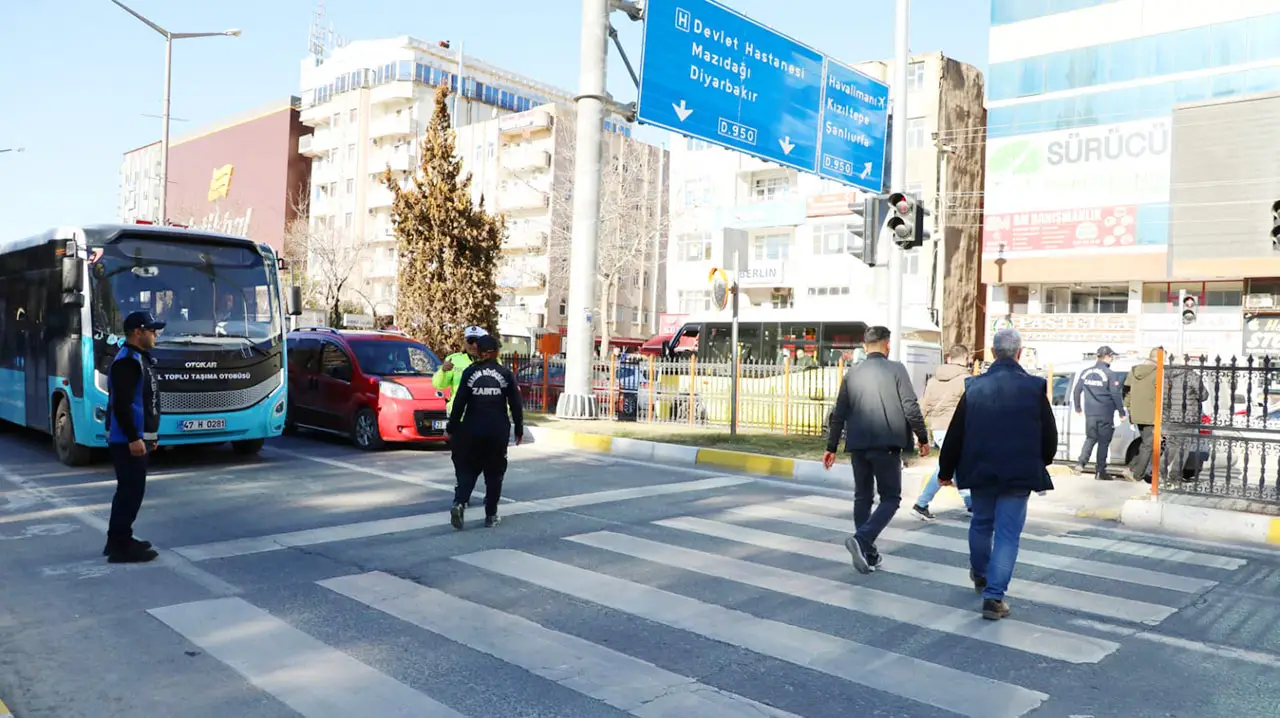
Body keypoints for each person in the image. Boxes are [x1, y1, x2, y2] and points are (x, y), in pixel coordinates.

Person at [937, 329, 1057, 620]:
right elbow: (1049, 434)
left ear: (992, 353)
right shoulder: (1034, 387)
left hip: (980, 468)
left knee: (981, 524)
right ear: (1019, 352)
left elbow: (956, 433)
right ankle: (993, 597)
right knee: (1007, 534)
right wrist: (1041, 460)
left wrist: (945, 470)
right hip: (1018, 471)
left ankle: (980, 575)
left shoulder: (975, 387)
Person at [823, 326, 930, 574]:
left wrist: (831, 447)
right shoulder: (896, 369)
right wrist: (922, 437)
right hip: (887, 445)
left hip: (858, 445)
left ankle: (868, 554)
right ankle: (862, 541)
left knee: (863, 497)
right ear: (887, 345)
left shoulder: (853, 374)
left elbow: (839, 414)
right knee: (891, 498)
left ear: (864, 345)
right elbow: (911, 407)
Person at [103, 310, 164, 563]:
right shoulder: (128, 360)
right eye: (151, 330)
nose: (155, 334)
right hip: (127, 440)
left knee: (132, 491)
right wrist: (133, 438)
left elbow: (145, 400)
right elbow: (122, 405)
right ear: (137, 333)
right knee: (129, 492)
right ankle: (119, 545)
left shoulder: (139, 358)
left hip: (137, 437)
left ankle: (119, 539)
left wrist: (150, 434)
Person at [446, 334, 524, 530]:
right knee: (494, 473)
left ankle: (459, 503)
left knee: (468, 470)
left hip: (471, 429)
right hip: (497, 430)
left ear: (479, 352)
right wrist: (519, 429)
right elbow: (515, 404)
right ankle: (491, 515)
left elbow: (459, 403)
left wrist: (451, 427)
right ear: (496, 352)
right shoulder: (505, 374)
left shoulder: (469, 373)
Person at [911, 344, 974, 520]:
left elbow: (922, 407)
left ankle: (970, 504)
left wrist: (918, 433)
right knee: (948, 466)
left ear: (948, 358)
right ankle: (921, 504)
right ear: (966, 358)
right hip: (957, 430)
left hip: (937, 428)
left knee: (952, 465)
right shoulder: (967, 380)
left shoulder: (933, 380)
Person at [1073, 345, 1126, 480]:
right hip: (1105, 413)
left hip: (1090, 413)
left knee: (1090, 438)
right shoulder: (1110, 374)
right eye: (1111, 356)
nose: (1112, 358)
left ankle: (1081, 463)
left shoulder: (1085, 372)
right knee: (1103, 441)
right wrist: (1121, 412)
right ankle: (1100, 471)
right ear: (1107, 356)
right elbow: (1115, 395)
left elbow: (1077, 390)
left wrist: (1078, 407)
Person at [433, 325, 490, 414]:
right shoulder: (454, 359)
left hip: (482, 415)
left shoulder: (492, 361)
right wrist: (442, 371)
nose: (474, 345)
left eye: (477, 341)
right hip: (459, 416)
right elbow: (438, 385)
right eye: (470, 341)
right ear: (464, 342)